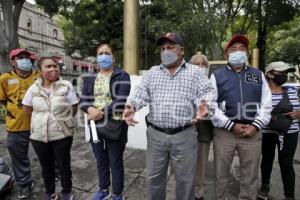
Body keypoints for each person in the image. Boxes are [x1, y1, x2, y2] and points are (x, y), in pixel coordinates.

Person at [123, 32, 215, 200]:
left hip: (184, 135)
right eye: (163, 48)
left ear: (181, 51)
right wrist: (132, 106)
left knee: (185, 180)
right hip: (156, 135)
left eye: (170, 47)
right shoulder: (152, 72)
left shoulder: (195, 73)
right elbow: (141, 93)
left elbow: (208, 91)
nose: (166, 51)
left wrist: (204, 104)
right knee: (153, 178)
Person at [210, 35, 272, 200]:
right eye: (233, 49)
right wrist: (230, 125)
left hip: (252, 131)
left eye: (242, 49)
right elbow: (211, 105)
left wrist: (256, 125)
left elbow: (266, 104)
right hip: (224, 132)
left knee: (250, 175)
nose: (238, 52)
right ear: (226, 54)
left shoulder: (258, 75)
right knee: (220, 174)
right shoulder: (217, 76)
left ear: (247, 53)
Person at [80, 42, 131, 200]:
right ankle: (103, 189)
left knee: (115, 161)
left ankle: (117, 194)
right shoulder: (90, 78)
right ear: (96, 57)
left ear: (113, 57)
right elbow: (83, 100)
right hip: (94, 125)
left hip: (115, 125)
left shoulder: (121, 75)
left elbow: (120, 100)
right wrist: (90, 110)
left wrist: (100, 112)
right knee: (100, 160)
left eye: (107, 53)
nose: (104, 56)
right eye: (100, 53)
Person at [22, 57, 78, 200]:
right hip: (39, 136)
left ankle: (67, 192)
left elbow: (74, 106)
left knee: (64, 165)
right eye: (48, 66)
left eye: (55, 66)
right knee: (46, 167)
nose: (53, 69)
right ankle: (50, 193)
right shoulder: (33, 88)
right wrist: (40, 119)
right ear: (40, 71)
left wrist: (62, 119)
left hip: (62, 134)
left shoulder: (66, 86)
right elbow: (27, 108)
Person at [0, 48, 39, 199]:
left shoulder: (39, 76)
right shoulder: (4, 78)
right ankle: (25, 184)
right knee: (18, 157)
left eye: (27, 57)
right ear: (12, 62)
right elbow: (3, 100)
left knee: (49, 154)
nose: (25, 60)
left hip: (39, 124)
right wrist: (15, 111)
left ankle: (54, 176)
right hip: (16, 126)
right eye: (21, 57)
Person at [257, 61, 299, 200]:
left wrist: (298, 114)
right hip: (267, 132)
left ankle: (289, 196)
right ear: (270, 74)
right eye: (281, 73)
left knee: (286, 163)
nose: (284, 76)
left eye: (286, 73)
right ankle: (264, 186)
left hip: (290, 132)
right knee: (267, 159)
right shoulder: (261, 92)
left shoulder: (292, 90)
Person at [189, 53, 213, 200]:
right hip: (185, 131)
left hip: (203, 131)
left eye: (202, 64)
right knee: (185, 164)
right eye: (196, 64)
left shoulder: (210, 85)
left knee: (201, 164)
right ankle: (186, 191)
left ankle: (198, 193)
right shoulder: (183, 83)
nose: (199, 67)